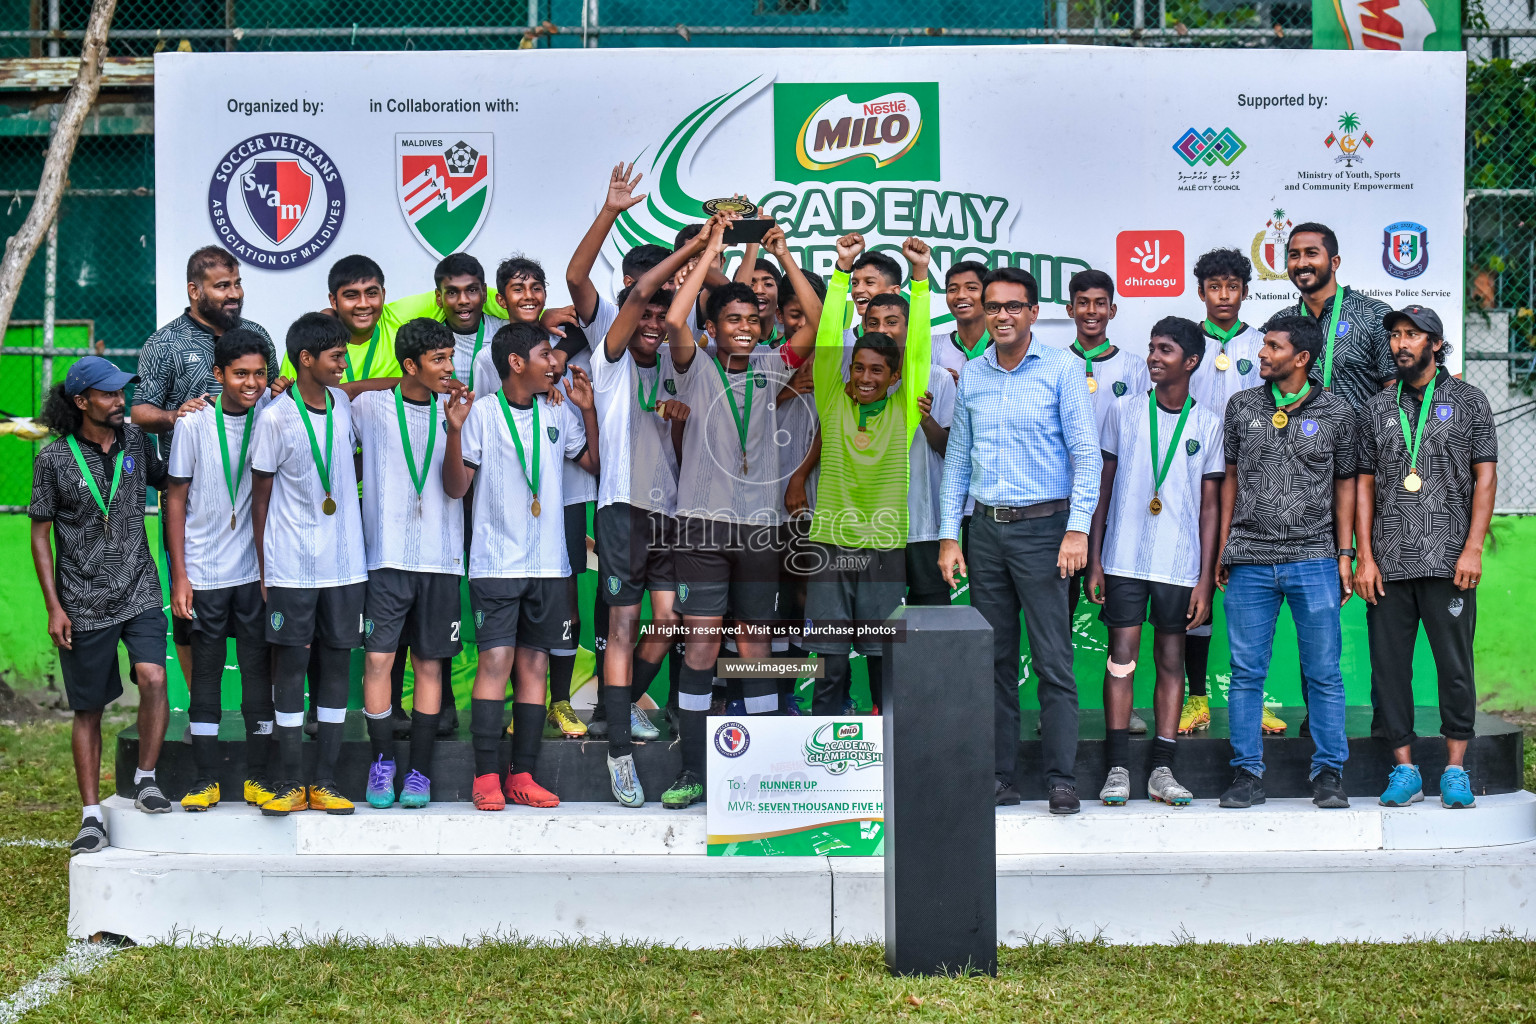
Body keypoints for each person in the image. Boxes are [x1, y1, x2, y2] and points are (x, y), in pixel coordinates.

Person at [659, 214, 814, 810]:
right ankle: (695, 771)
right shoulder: (694, 366)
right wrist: (712, 250)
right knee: (699, 649)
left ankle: (761, 775)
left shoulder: (774, 367)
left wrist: (783, 251)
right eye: (733, 320)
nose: (745, 328)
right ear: (714, 328)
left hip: (760, 530)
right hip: (702, 527)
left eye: (753, 319)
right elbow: (675, 317)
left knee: (757, 648)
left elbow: (819, 322)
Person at [938, 267, 1101, 814]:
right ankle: (998, 776)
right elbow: (958, 458)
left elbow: (1086, 454)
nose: (1001, 315)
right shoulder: (975, 374)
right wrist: (948, 535)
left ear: (1033, 312)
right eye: (993, 306)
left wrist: (1077, 528)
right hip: (984, 532)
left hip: (1045, 532)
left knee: (1054, 661)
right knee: (995, 661)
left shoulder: (1060, 367)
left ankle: (1061, 779)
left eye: (1013, 306)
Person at [443, 321, 600, 811]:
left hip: (550, 565)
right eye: (545, 354)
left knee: (534, 666)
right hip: (495, 564)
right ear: (516, 363)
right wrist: (452, 430)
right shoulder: (481, 416)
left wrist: (588, 412)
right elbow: (455, 488)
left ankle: (523, 775)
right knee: (496, 662)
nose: (554, 362)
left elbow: (593, 461)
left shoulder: (560, 411)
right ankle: (486, 776)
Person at [1354, 305, 1498, 810]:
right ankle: (1406, 769)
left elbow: (1485, 478)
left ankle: (1455, 770)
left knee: (1454, 668)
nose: (1400, 344)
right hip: (1389, 565)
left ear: (1436, 344)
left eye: (1412, 335)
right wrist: (1365, 557)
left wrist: (1474, 548)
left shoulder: (1469, 400)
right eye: (1395, 335)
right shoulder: (1376, 406)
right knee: (1389, 671)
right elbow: (1364, 486)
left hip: (1450, 561)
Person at [30, 357, 174, 855]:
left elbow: (172, 482)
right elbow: (41, 535)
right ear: (81, 401)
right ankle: (92, 816)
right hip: (83, 600)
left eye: (122, 393)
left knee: (155, 678)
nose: (121, 402)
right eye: (110, 395)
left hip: (139, 587)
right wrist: (54, 606)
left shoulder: (136, 440)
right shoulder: (53, 460)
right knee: (88, 709)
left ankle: (147, 779)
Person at [587, 232, 710, 805]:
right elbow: (639, 294)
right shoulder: (607, 362)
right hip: (622, 508)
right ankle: (619, 752)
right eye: (647, 312)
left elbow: (685, 445)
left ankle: (613, 713)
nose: (655, 321)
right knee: (622, 627)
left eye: (665, 314)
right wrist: (693, 248)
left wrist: (680, 419)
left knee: (668, 622)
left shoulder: (673, 362)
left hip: (668, 511)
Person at [1215, 315, 1357, 810]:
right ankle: (1246, 774)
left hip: (1314, 557)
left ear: (1301, 358)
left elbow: (1345, 485)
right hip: (1250, 559)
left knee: (1323, 672)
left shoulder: (1338, 411)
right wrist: (1225, 546)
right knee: (1246, 670)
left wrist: (1345, 553)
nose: (1263, 354)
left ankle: (1328, 774)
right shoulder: (1241, 405)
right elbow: (1229, 478)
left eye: (1273, 347)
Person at [1085, 317, 1223, 808]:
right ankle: (1117, 768)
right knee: (1121, 658)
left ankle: (1163, 769)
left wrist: (1205, 578)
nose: (1154, 357)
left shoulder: (1207, 423)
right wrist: (1096, 558)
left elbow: (1210, 507)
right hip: (1122, 557)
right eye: (1151, 348)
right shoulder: (1122, 411)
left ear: (1190, 362)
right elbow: (1102, 488)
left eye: (1166, 350)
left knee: (1171, 660)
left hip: (1180, 564)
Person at [800, 233, 932, 715]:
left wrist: (919, 279)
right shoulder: (832, 400)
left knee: (881, 658)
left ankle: (888, 747)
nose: (867, 378)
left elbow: (916, 351)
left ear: (894, 378)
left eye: (878, 371)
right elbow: (828, 338)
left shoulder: (906, 409)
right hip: (831, 549)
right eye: (859, 369)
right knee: (831, 663)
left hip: (883, 549)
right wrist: (841, 270)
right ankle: (822, 745)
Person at [135, 245, 277, 685]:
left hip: (258, 488)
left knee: (263, 607)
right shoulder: (165, 343)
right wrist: (178, 415)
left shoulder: (256, 333)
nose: (234, 294)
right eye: (222, 287)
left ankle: (266, 714)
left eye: (236, 284)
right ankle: (201, 708)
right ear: (195, 290)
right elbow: (141, 411)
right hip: (192, 495)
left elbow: (269, 395)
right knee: (191, 612)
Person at [249, 313, 368, 816]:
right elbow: (260, 497)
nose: (343, 363)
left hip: (345, 568)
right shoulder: (274, 417)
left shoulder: (343, 404)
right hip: (292, 568)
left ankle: (325, 781)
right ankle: (290, 780)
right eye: (336, 356)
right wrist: (263, 569)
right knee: (292, 667)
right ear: (305, 360)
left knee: (338, 665)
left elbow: (350, 456)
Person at [472, 256, 593, 741]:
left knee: (564, 604)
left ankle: (559, 703)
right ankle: (513, 710)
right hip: (507, 506)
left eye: (536, 287)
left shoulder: (569, 341)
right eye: (517, 289)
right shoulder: (490, 356)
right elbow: (493, 413)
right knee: (507, 635)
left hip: (562, 493)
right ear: (500, 300)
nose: (529, 295)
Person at [352, 318, 467, 809]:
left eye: (450, 357)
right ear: (409, 365)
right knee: (378, 659)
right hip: (386, 558)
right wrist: (394, 383)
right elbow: (336, 390)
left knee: (429, 664)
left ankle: (418, 771)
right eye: (438, 359)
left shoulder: (461, 410)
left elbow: (457, 488)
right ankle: (382, 764)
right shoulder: (370, 407)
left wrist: (457, 429)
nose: (448, 367)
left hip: (442, 559)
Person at [162, 330, 276, 812]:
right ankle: (205, 777)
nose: (250, 383)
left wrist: (283, 386)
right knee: (206, 676)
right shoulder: (193, 425)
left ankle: (258, 777)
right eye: (239, 374)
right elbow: (175, 500)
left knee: (255, 675)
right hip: (204, 571)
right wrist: (181, 577)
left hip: (252, 572)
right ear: (218, 375)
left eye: (258, 374)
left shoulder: (272, 416)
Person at [1180, 248, 1288, 738]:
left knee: (1251, 591)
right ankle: (1196, 697)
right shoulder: (1184, 343)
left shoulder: (1262, 344)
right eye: (1214, 287)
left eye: (1233, 287)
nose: (1224, 296)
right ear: (1200, 291)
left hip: (1252, 480)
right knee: (1193, 584)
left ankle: (1252, 697)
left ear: (1246, 291)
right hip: (1192, 478)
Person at [1064, 270, 1149, 732]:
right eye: (1084, 302)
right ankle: (1061, 708)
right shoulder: (1053, 362)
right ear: (1070, 309)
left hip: (1116, 503)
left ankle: (1125, 707)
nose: (1092, 311)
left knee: (1121, 612)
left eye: (1101, 303)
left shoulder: (1135, 367)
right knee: (1058, 612)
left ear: (1113, 310)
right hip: (1062, 502)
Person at [1278, 222, 1394, 410]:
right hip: (1299, 438)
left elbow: (1394, 393)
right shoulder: (1281, 324)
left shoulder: (1374, 314)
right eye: (1294, 255)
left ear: (1335, 262)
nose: (1301, 263)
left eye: (1311, 253)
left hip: (1361, 438)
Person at [277, 254, 404, 394]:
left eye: (372, 293)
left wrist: (349, 390)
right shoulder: (308, 342)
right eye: (351, 295)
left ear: (383, 294)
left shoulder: (402, 325)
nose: (363, 304)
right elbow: (294, 398)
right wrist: (283, 394)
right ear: (333, 300)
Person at [934, 260, 991, 382]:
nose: (960, 295)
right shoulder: (933, 348)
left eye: (971, 288)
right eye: (953, 289)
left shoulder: (1006, 349)